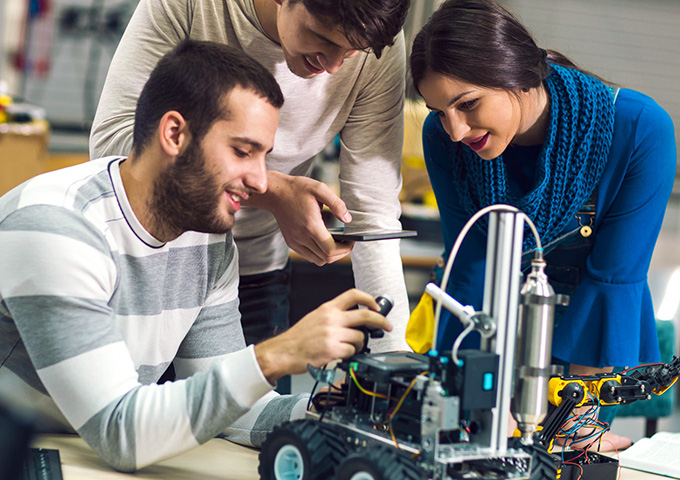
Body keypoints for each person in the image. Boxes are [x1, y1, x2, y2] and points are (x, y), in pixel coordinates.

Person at [0, 40, 392, 472]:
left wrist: (337, 408)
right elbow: (122, 432)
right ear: (174, 134)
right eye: (243, 152)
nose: (262, 182)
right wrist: (280, 352)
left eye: (265, 155)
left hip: (80, 455)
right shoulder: (57, 227)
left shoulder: (206, 238)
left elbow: (235, 408)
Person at [89, 0, 414, 391]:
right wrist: (274, 192)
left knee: (244, 436)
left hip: (252, 277)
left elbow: (373, 212)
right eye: (323, 39)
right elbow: (116, 145)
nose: (333, 67)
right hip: (146, 266)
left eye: (352, 52)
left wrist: (394, 365)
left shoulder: (377, 39)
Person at [409, 0, 676, 450]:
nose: (455, 130)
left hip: (585, 352)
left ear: (519, 75)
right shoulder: (443, 138)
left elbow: (611, 279)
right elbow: (469, 263)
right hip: (486, 329)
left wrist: (575, 417)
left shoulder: (639, 130)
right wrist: (461, 395)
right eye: (439, 111)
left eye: (468, 104)